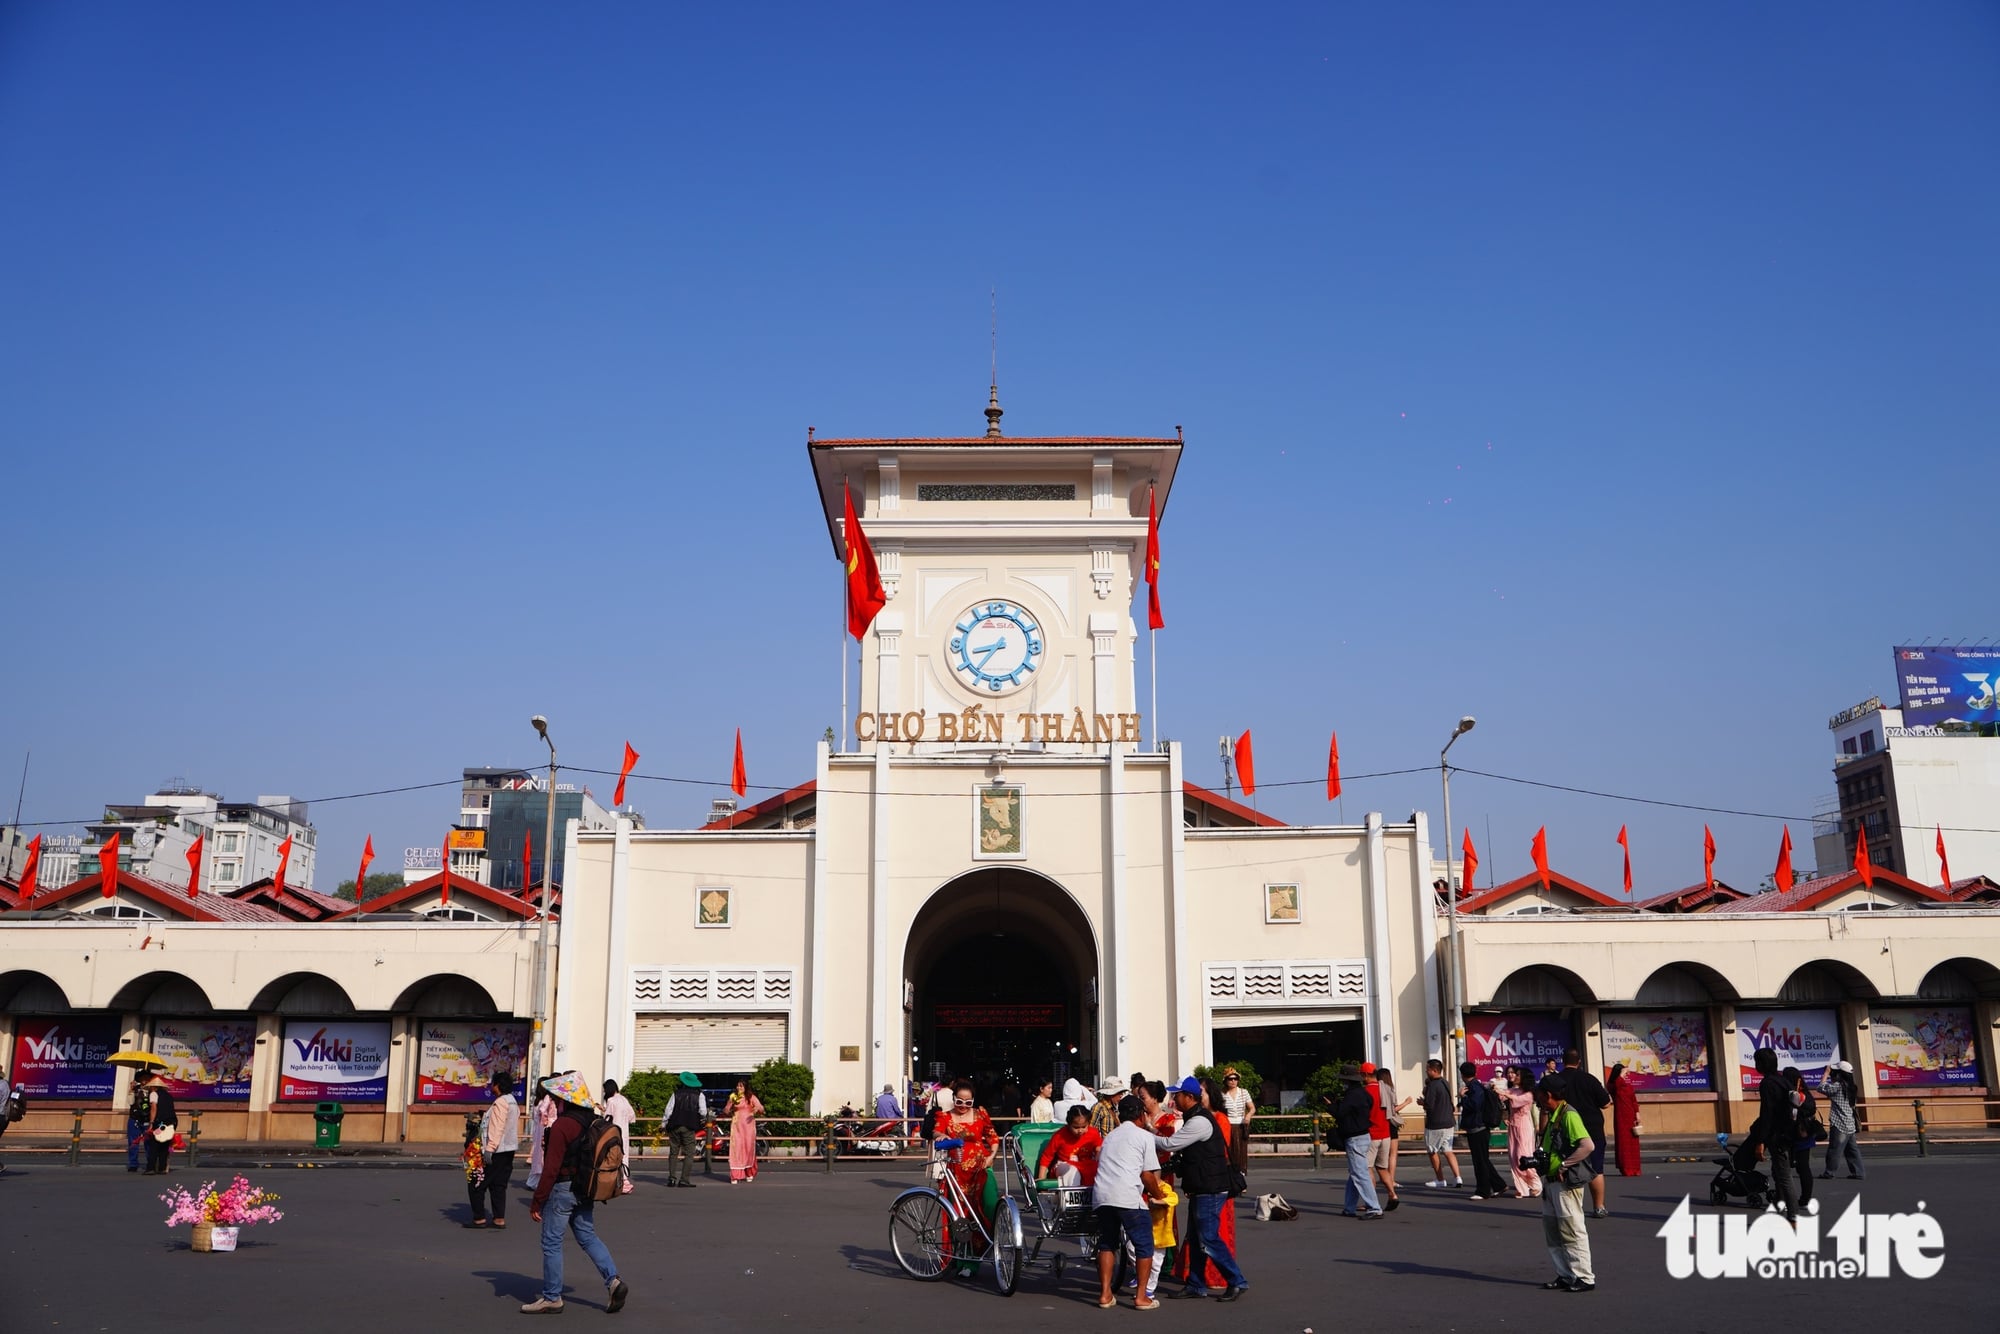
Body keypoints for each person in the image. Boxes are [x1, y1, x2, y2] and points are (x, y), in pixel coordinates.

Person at [523, 1073, 629, 1316]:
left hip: (562, 1189)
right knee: (587, 1236)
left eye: (556, 1098)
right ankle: (613, 1281)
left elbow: (550, 1169)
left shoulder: (562, 1126)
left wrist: (537, 1201)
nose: (554, 1102)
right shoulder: (592, 1120)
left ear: (564, 1100)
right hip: (586, 1187)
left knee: (551, 1242)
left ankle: (552, 1297)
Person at [1155, 1076, 1247, 1302]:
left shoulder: (1199, 1121)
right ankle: (1196, 1284)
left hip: (1210, 1186)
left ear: (1189, 1097)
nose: (1173, 1098)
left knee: (1207, 1238)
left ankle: (1236, 1280)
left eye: (1177, 1094)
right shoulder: (1195, 1117)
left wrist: (1140, 1135)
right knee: (1196, 1239)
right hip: (1203, 1185)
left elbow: (1171, 1144)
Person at [1093, 1094, 1167, 1311]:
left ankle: (1105, 1294)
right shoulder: (1143, 1136)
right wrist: (1158, 1195)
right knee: (1144, 1245)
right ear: (1141, 1115)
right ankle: (1141, 1296)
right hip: (1127, 1196)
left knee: (1107, 1243)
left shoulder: (1110, 1136)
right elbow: (1147, 1175)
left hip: (1102, 1195)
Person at [1532, 1076, 1596, 1292]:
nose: (1537, 1099)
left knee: (1572, 1229)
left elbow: (1587, 1146)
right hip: (1551, 1182)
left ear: (1547, 1095)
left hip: (1565, 1183)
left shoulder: (1569, 1115)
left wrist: (1564, 1165)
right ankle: (1565, 1274)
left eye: (1539, 1094)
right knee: (1553, 1230)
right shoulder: (1554, 1115)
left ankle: (1584, 1277)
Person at [933, 1078, 1000, 1219]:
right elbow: (936, 1131)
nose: (963, 1105)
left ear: (973, 1101)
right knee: (959, 1212)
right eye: (959, 1101)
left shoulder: (980, 1114)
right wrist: (941, 1135)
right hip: (957, 1171)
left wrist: (991, 1157)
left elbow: (992, 1137)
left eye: (968, 1102)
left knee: (988, 1204)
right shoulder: (945, 1117)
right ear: (954, 1098)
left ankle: (989, 1239)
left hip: (981, 1168)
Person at [1556, 1048, 1612, 1217]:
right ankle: (1599, 1206)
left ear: (1562, 1061)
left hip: (1566, 1129)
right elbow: (1605, 1103)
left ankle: (1570, 1208)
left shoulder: (1557, 1080)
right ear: (1579, 1061)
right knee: (1596, 1169)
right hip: (1592, 1127)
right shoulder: (1589, 1079)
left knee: (1566, 1168)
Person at [468, 1071, 519, 1228]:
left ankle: (479, 1218)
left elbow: (497, 1127)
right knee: (498, 1184)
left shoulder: (501, 1103)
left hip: (496, 1149)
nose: (491, 1087)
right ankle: (498, 1218)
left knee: (476, 1182)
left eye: (493, 1084)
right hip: (508, 1149)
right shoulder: (512, 1102)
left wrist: (489, 1149)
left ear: (498, 1086)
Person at [1334, 1070, 1384, 1218]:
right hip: (1364, 1135)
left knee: (1360, 1174)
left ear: (1347, 1082)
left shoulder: (1351, 1096)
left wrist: (1332, 1105)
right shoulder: (1364, 1094)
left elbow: (1341, 1113)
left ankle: (1374, 1208)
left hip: (1354, 1137)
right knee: (1355, 1173)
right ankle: (1349, 1207)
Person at [1458, 1060, 1505, 1199]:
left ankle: (1483, 1191)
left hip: (1478, 1127)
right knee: (1482, 1159)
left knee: (1480, 1161)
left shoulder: (1475, 1087)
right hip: (1478, 1127)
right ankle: (1499, 1185)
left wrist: (1463, 1097)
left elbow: (1474, 1105)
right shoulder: (1475, 1086)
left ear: (1462, 1075)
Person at [1420, 1058, 1463, 1188]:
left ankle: (1440, 1179)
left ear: (1434, 1070)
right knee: (1448, 1150)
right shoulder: (1445, 1082)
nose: (1426, 1071)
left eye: (1427, 1069)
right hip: (1449, 1121)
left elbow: (1430, 1105)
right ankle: (1458, 1177)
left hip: (1435, 1123)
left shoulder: (1433, 1085)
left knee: (1432, 1151)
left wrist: (1423, 1103)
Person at [1500, 1065, 1541, 1199]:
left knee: (1523, 1157)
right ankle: (1521, 1188)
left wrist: (1506, 1094)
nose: (1514, 1076)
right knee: (1513, 1157)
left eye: (1517, 1075)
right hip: (1513, 1126)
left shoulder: (1528, 1094)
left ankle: (1535, 1184)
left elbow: (1516, 1101)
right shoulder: (1514, 1090)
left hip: (1524, 1126)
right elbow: (1502, 1096)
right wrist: (1496, 1089)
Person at [659, 1071, 706, 1188]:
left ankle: (672, 1178)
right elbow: (703, 1112)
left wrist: (663, 1124)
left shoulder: (676, 1094)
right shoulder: (699, 1095)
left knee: (673, 1153)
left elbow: (668, 1111)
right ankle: (684, 1179)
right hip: (689, 1126)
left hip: (674, 1126)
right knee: (689, 1153)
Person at [1037, 1103, 1102, 1187]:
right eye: (1076, 1127)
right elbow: (1047, 1157)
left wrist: (1098, 1153)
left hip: (1086, 1165)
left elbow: (1099, 1147)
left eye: (1083, 1127)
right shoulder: (1059, 1135)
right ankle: (1071, 1198)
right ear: (1069, 1124)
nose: (1080, 1131)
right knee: (1073, 1171)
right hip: (1064, 1165)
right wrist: (1041, 1180)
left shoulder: (1093, 1133)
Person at [1363, 1063, 1399, 1211]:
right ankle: (1393, 1195)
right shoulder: (1386, 1089)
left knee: (1367, 1168)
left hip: (1372, 1134)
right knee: (1382, 1168)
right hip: (1386, 1133)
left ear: (1365, 1075)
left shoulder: (1366, 1092)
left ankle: (1371, 1202)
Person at [1821, 1061, 1864, 1180]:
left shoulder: (1838, 1086)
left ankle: (1829, 1172)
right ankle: (1858, 1172)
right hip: (1850, 1123)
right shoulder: (1852, 1087)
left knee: (1834, 1149)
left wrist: (1826, 1073)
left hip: (1839, 1123)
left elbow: (1821, 1088)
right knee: (1852, 1150)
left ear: (1840, 1073)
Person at [1375, 1065, 1411, 1194]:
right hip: (1391, 1124)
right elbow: (1393, 1109)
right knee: (1393, 1153)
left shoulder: (1377, 1089)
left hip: (1379, 1123)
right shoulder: (1390, 1089)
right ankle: (1391, 1178)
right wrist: (1406, 1102)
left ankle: (1383, 1176)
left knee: (1380, 1154)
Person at [726, 1079, 764, 1184]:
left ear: (746, 1087)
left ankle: (749, 1173)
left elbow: (761, 1108)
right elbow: (726, 1110)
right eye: (738, 1086)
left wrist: (757, 1109)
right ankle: (735, 1175)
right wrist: (731, 1104)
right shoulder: (733, 1097)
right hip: (737, 1126)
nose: (739, 1088)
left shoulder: (751, 1097)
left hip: (748, 1127)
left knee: (748, 1148)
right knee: (736, 1149)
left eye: (741, 1086)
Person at [602, 1079, 636, 1194]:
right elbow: (632, 1117)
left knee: (612, 1156)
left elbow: (607, 1118)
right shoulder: (623, 1099)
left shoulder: (611, 1101)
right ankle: (625, 1180)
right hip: (624, 1132)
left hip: (613, 1132)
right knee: (624, 1155)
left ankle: (615, 1182)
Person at [525, 1081, 561, 1190]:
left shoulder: (541, 1100)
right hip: (547, 1126)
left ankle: (536, 1181)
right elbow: (542, 1110)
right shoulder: (548, 1098)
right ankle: (539, 1182)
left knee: (541, 1153)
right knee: (543, 1154)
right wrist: (546, 1120)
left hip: (542, 1127)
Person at [1608, 1063, 1642, 1178]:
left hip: (1631, 1116)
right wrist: (1622, 1072)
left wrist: (1637, 1114)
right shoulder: (1614, 1085)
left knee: (1633, 1143)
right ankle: (1626, 1168)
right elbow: (1616, 1084)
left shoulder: (1628, 1086)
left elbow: (1634, 1101)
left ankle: (1635, 1168)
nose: (1627, 1074)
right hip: (1621, 1117)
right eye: (1625, 1073)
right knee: (1624, 1143)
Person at [1218, 1068, 1253, 1177]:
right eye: (1230, 1079)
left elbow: (1252, 1108)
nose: (1233, 1081)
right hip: (1227, 1125)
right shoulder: (1221, 1094)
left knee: (1241, 1152)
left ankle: (1240, 1178)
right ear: (1225, 1080)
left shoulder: (1243, 1092)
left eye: (1235, 1078)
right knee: (1229, 1151)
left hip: (1241, 1124)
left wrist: (1248, 1115)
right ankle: (1230, 1177)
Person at [143, 1070, 177, 1175]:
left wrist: (151, 1123)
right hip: (171, 1121)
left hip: (160, 1122)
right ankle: (162, 1167)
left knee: (154, 1145)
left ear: (153, 1086)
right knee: (164, 1145)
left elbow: (154, 1108)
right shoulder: (168, 1096)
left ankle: (151, 1168)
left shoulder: (154, 1094)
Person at [125, 1068, 151, 1173]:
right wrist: (131, 1090)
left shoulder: (152, 1090)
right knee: (133, 1142)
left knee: (148, 1143)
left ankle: (150, 1162)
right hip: (135, 1118)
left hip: (147, 1119)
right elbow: (130, 1102)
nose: (144, 1080)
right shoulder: (136, 1089)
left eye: (147, 1078)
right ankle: (133, 1163)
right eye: (142, 1078)